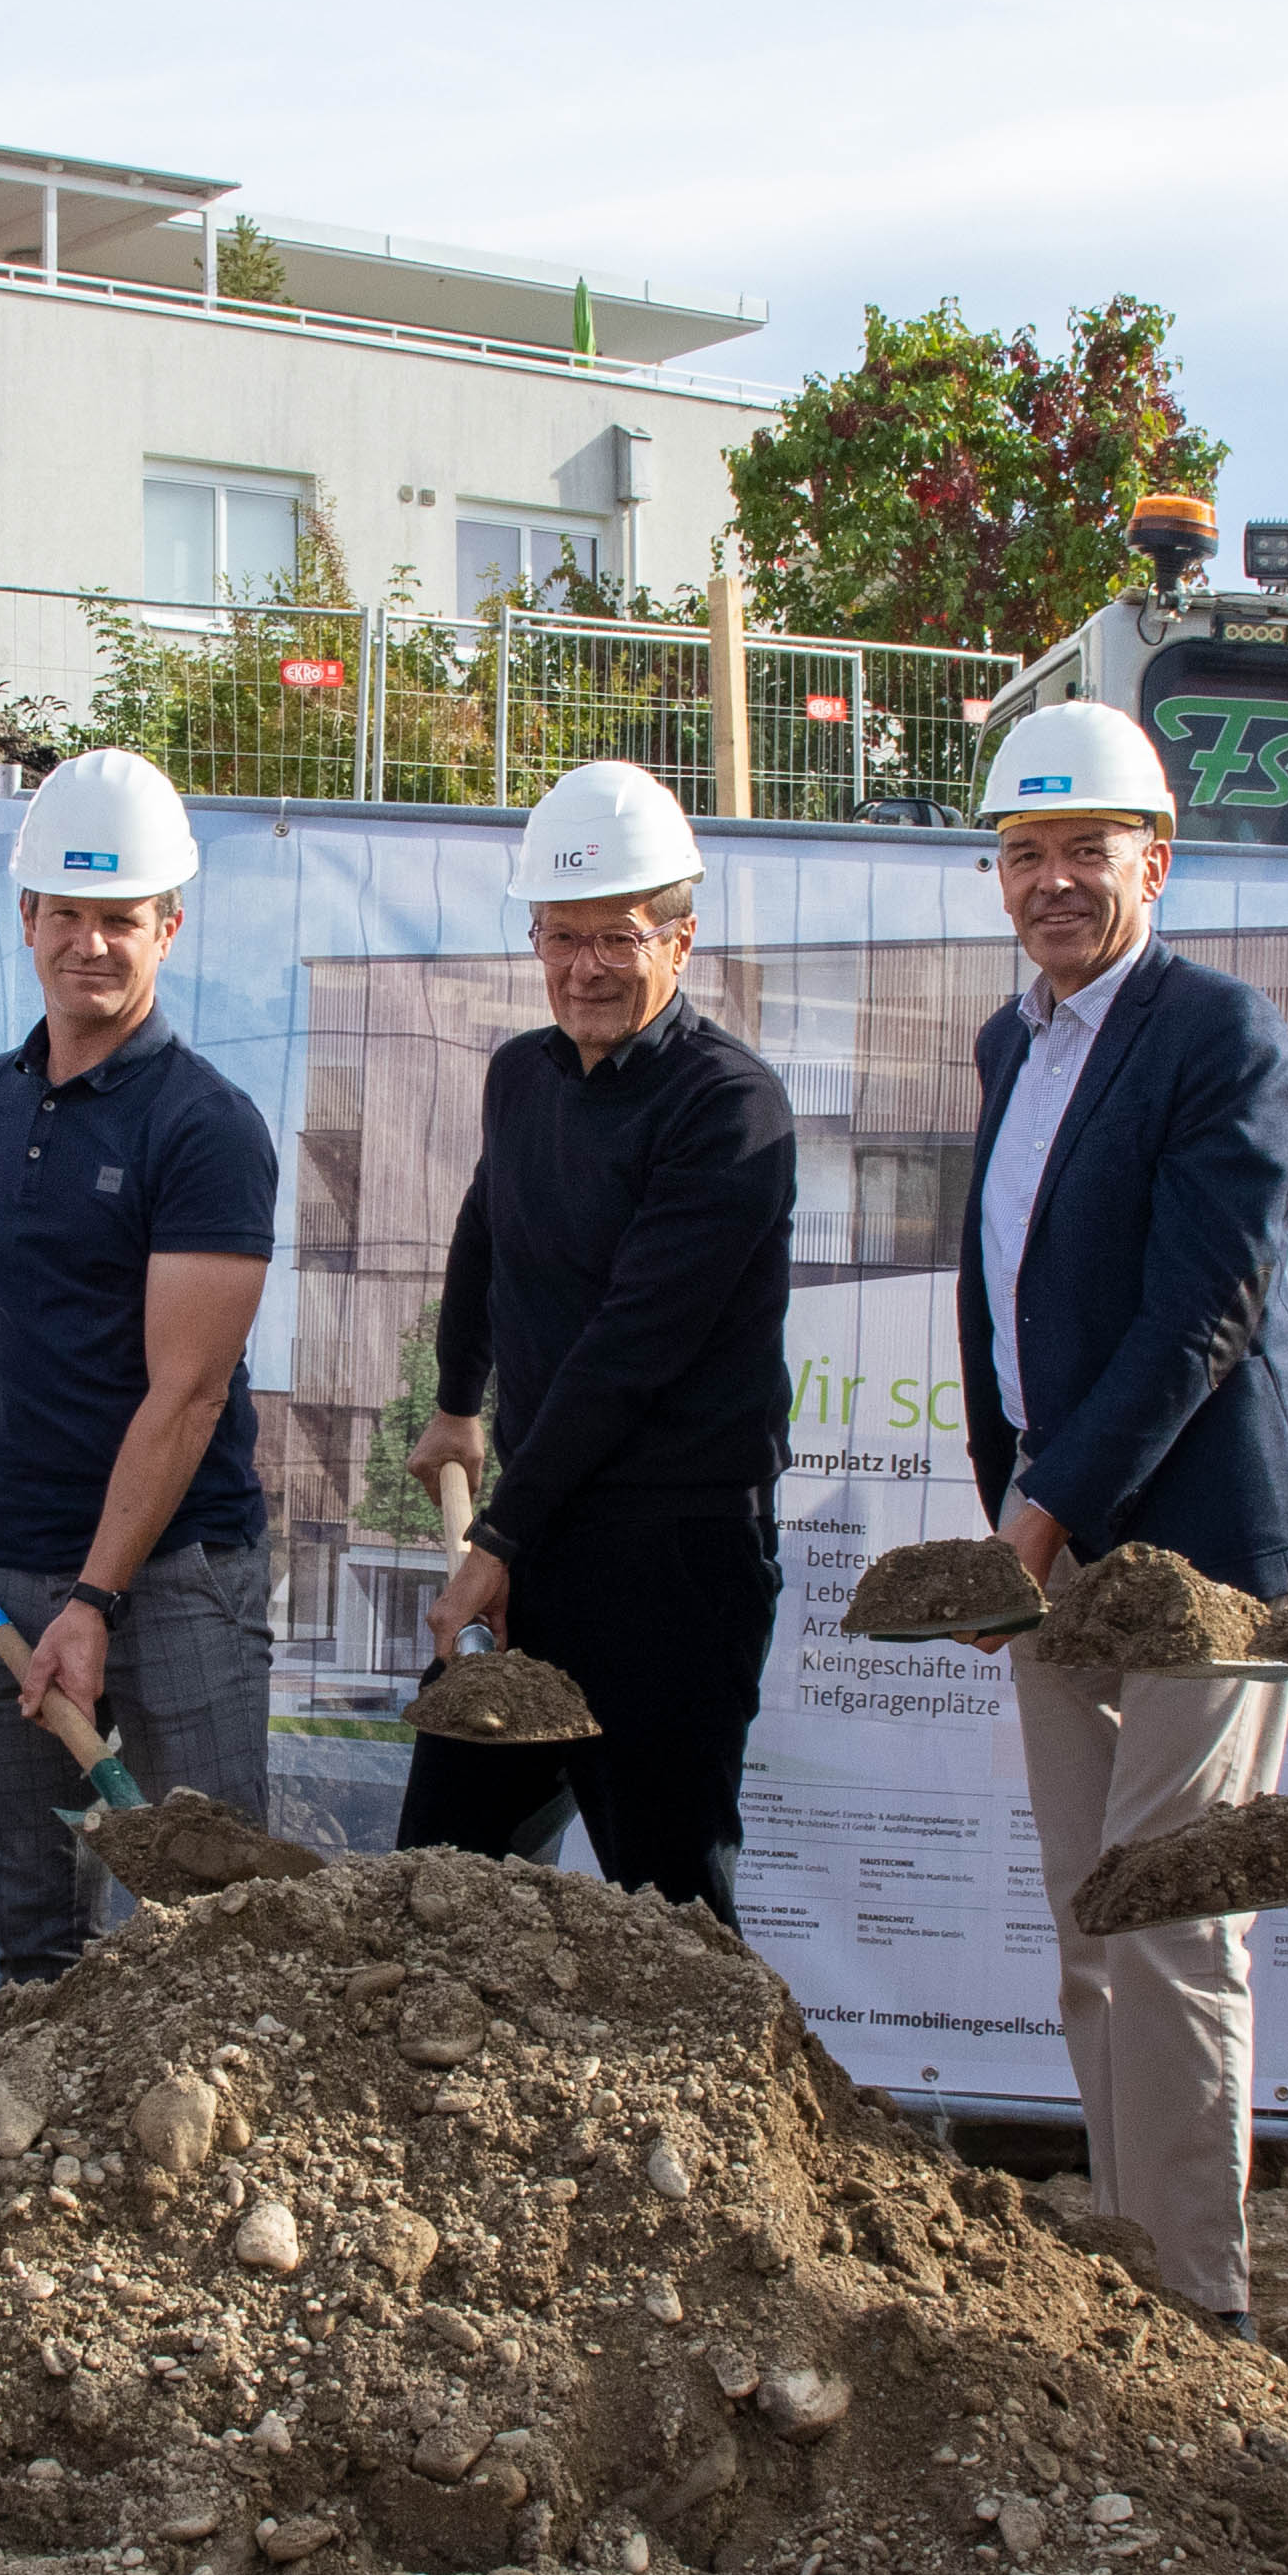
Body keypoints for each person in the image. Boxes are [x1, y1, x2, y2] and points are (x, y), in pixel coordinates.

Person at [956, 697, 1288, 2337]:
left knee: (1167, 1922)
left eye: (1083, 851)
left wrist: (1028, 1521)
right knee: (1083, 1920)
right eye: (1023, 852)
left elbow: (1199, 1317)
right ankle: (1123, 2270)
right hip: (1052, 1530)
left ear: (1154, 860)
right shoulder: (1009, 1041)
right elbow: (1009, 1297)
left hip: (1196, 1550)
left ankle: (1198, 2311)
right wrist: (1017, 1497)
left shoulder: (1218, 1034)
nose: (1052, 882)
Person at [0, 751, 282, 1982]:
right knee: (37, 1932)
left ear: (169, 928)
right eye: (68, 915)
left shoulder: (203, 1126)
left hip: (173, 1577)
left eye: (121, 920)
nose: (90, 944)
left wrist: (93, 1603)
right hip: (8, 1560)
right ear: (27, 918)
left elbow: (188, 1392)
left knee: (211, 1929)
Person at [398, 761, 800, 1921]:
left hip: (678, 1557)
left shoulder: (728, 1109)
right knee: (435, 1876)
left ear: (680, 938)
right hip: (543, 1542)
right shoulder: (521, 1076)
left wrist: (499, 1538)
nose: (584, 968)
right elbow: (487, 1226)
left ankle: (706, 2099)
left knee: (663, 1896)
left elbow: (633, 1345)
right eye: (560, 937)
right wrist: (458, 1398)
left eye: (616, 938)